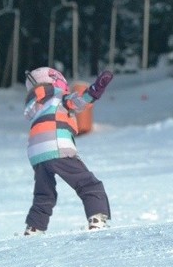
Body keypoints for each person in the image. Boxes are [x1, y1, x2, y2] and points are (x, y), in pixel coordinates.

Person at [22, 67, 114, 235]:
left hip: (36, 154)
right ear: (56, 82)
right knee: (89, 184)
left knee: (44, 194)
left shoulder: (37, 104)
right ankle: (97, 219)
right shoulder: (58, 97)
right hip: (56, 146)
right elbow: (79, 101)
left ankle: (34, 228)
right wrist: (95, 90)